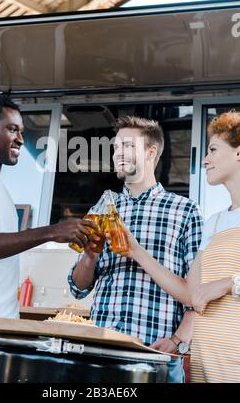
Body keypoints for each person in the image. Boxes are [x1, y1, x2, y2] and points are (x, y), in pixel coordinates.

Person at [0, 92, 96, 382]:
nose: (21, 140)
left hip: (0, 326)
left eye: (22, 132)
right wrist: (51, 231)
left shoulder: (1, 189)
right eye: (12, 129)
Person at [68, 116, 203, 383]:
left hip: (154, 356)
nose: (118, 153)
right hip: (100, 351)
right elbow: (78, 286)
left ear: (151, 152)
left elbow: (199, 293)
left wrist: (179, 340)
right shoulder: (103, 207)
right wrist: (89, 256)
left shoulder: (186, 211)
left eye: (127, 146)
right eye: (116, 147)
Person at [118, 111, 240, 383]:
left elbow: (220, 287)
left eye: (213, 149)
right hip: (205, 364)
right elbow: (191, 293)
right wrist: (136, 252)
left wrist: (229, 283)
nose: (205, 160)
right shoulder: (214, 222)